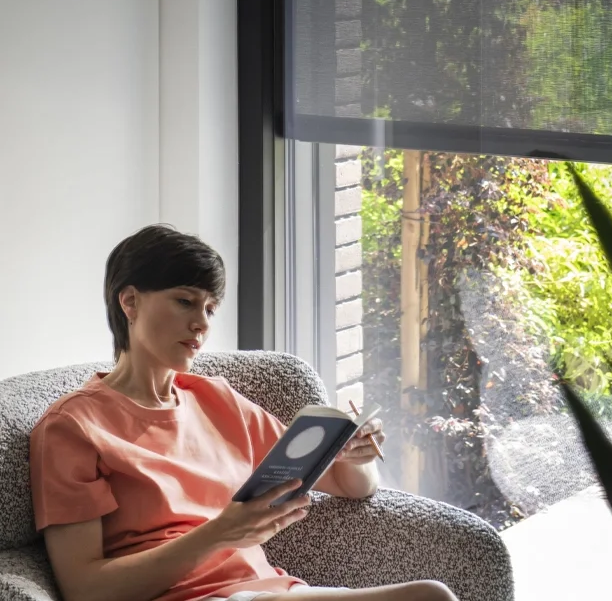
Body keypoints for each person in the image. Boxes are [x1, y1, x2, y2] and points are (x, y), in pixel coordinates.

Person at [29, 225, 457, 601]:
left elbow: (350, 485)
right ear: (130, 302)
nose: (202, 323)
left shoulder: (216, 401)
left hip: (273, 591)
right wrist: (222, 533)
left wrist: (356, 455)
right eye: (184, 301)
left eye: (210, 309)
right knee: (430, 597)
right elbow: (85, 590)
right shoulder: (73, 428)